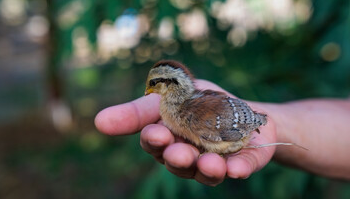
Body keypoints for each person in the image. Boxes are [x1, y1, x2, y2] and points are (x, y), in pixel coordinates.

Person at [95, 79, 350, 186]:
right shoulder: (182, 107)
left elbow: (231, 126)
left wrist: (257, 122)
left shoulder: (198, 120)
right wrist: (279, 122)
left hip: (234, 123)